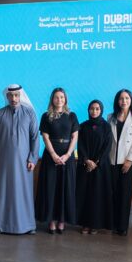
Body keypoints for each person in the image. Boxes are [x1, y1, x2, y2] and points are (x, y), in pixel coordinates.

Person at [0, 84, 39, 235]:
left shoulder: (29, 113)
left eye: (16, 95)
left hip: (24, 163)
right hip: (4, 162)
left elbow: (35, 137)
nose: (13, 98)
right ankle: (0, 225)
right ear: (7, 97)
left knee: (24, 192)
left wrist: (32, 159)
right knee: (3, 192)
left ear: (21, 96)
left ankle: (27, 225)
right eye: (11, 95)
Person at [35, 87, 79, 234]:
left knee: (65, 188)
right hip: (50, 156)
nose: (59, 100)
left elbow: (75, 137)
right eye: (56, 97)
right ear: (52, 99)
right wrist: (53, 154)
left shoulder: (72, 116)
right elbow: (45, 137)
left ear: (65, 99)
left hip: (68, 157)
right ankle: (51, 220)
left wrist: (68, 154)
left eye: (62, 97)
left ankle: (62, 220)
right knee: (51, 188)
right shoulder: (46, 116)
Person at [107, 89, 132, 235]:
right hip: (113, 159)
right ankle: (113, 223)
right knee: (114, 192)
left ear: (131, 100)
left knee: (125, 192)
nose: (124, 101)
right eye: (121, 98)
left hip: (130, 160)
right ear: (117, 101)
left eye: (127, 98)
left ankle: (122, 227)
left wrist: (129, 160)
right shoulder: (111, 117)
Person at [76, 100, 114, 234]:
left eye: (97, 109)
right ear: (88, 110)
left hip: (100, 167)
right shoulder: (82, 126)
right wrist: (87, 160)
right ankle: (85, 224)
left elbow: (107, 146)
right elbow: (80, 145)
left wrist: (96, 162)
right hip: (85, 166)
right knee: (85, 195)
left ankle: (95, 224)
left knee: (97, 196)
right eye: (92, 108)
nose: (94, 111)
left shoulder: (106, 127)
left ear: (101, 110)